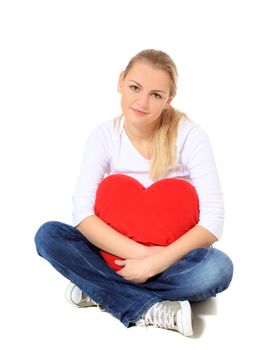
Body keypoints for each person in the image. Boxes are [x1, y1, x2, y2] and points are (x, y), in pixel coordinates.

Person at [34, 49, 233, 337]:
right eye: (135, 88)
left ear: (168, 100)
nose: (142, 102)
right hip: (114, 256)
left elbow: (213, 222)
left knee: (217, 269)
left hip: (171, 261)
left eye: (156, 94)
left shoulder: (190, 136)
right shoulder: (103, 136)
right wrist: (142, 258)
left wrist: (157, 262)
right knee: (48, 235)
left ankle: (100, 289)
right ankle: (148, 307)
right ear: (121, 82)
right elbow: (83, 214)